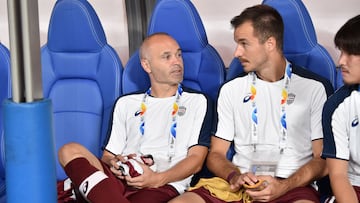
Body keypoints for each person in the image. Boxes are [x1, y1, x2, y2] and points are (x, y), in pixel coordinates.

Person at [170, 4, 334, 203]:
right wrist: (234, 176)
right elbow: (216, 154)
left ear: (270, 44)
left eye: (244, 43)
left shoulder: (315, 88)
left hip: (292, 185)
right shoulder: (231, 89)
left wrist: (284, 186)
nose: (237, 52)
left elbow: (322, 160)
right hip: (238, 183)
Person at [57, 32, 213, 203]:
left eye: (178, 55)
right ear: (147, 65)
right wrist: (115, 164)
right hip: (119, 179)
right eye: (166, 57)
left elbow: (196, 160)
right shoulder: (125, 103)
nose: (177, 62)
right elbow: (108, 156)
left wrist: (156, 179)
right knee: (69, 150)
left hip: (163, 184)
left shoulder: (198, 101)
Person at [321, 14, 360, 203]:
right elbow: (338, 175)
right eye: (341, 52)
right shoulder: (337, 105)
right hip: (354, 188)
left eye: (351, 52)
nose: (341, 61)